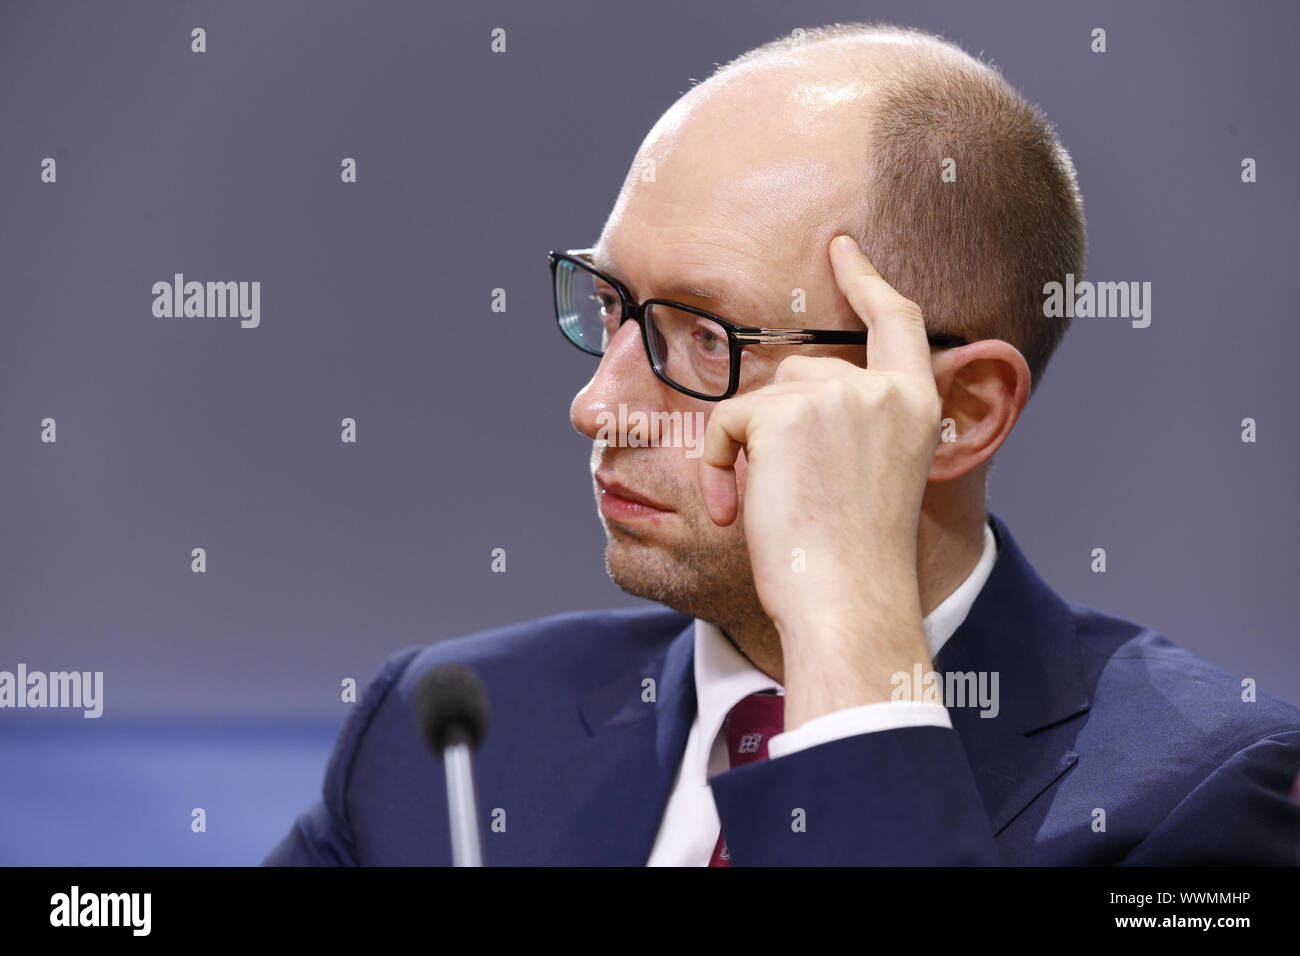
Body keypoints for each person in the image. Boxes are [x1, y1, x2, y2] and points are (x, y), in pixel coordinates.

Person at [265, 22, 1300, 865]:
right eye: (611, 303)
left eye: (708, 336)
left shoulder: (1197, 798)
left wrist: (846, 633)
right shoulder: (448, 734)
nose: (597, 404)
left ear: (962, 410)